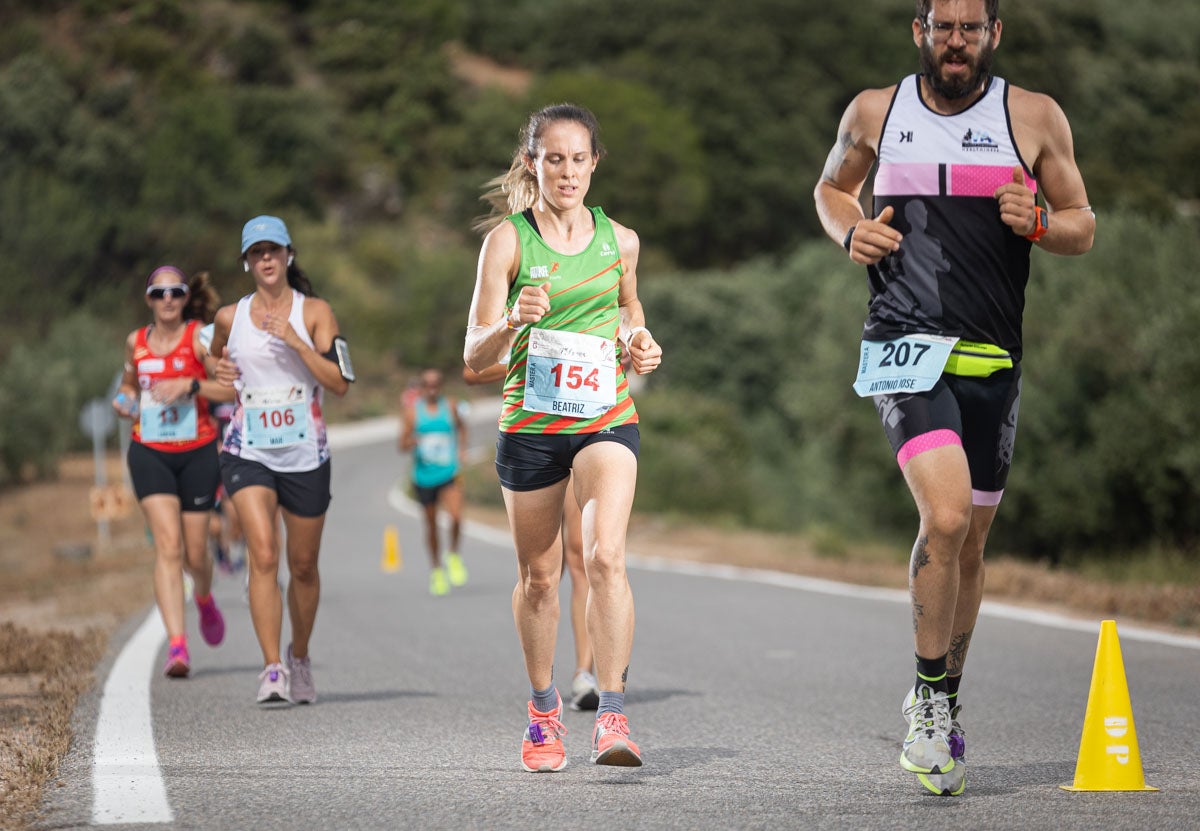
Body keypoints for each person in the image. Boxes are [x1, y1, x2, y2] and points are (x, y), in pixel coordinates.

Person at [813, 0, 1094, 796]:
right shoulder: (875, 111)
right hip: (904, 344)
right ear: (920, 33)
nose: (958, 41)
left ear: (994, 35)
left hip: (993, 357)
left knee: (970, 544)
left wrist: (1040, 219)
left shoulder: (1033, 118)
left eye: (972, 28)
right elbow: (831, 190)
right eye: (944, 27)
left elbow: (1083, 221)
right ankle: (931, 708)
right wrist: (848, 232)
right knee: (942, 516)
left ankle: (942, 687)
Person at [464, 103, 662, 772]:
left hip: (606, 416)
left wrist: (638, 339)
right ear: (533, 163)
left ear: (595, 163)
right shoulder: (508, 242)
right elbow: (473, 357)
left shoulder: (622, 240)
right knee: (541, 578)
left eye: (579, 158)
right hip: (532, 425)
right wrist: (512, 324)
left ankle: (612, 714)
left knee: (605, 557)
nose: (568, 171)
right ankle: (544, 711)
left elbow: (628, 307)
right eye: (554, 158)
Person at [207, 215, 353, 706]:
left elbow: (338, 382)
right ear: (246, 262)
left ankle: (300, 656)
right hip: (248, 451)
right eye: (256, 252)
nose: (265, 259)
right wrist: (218, 367)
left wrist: (294, 340)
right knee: (264, 554)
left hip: (305, 453)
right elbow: (214, 358)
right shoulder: (231, 316)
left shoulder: (316, 312)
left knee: (304, 565)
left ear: (289, 255)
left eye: (273, 250)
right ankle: (272, 668)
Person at [112, 266, 232, 678]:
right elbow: (130, 384)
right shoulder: (136, 342)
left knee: (195, 553)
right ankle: (178, 647)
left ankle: (203, 599)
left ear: (184, 298)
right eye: (159, 292)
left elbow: (232, 388)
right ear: (148, 299)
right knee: (168, 547)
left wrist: (190, 385)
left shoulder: (199, 337)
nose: (167, 299)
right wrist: (124, 400)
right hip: (149, 452)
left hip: (197, 452)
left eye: (175, 292)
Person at [463, 363, 599, 711]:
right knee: (538, 576)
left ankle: (585, 673)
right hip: (535, 433)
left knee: (581, 555)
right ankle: (542, 682)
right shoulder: (523, 307)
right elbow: (472, 370)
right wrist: (532, 356)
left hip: (587, 430)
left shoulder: (592, 308)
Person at [398, 368, 470, 596]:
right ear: (421, 386)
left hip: (448, 472)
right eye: (428, 384)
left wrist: (461, 449)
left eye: (436, 383)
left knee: (457, 517)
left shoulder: (449, 406)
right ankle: (437, 569)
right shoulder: (412, 413)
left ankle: (453, 554)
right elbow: (402, 444)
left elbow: (461, 426)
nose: (432, 387)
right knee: (431, 526)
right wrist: (413, 442)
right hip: (424, 476)